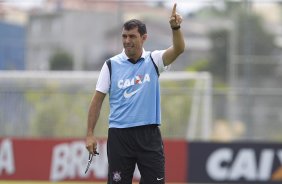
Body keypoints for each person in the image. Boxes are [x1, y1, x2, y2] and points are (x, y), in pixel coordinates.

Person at [85, 3, 185, 184]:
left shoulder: (154, 60)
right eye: (124, 36)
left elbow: (178, 49)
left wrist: (175, 28)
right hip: (119, 136)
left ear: (144, 38)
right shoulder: (110, 65)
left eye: (132, 36)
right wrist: (90, 133)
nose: (127, 41)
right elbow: (96, 101)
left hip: (149, 135)